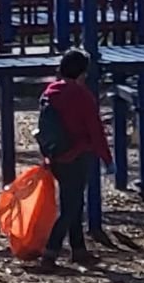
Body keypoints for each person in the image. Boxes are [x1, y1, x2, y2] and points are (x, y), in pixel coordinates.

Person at [35, 48, 111, 270]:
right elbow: (95, 129)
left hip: (56, 156)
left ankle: (79, 250)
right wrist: (107, 158)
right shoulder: (81, 95)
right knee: (71, 207)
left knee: (73, 202)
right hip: (77, 155)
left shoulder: (50, 92)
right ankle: (50, 252)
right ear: (82, 72)